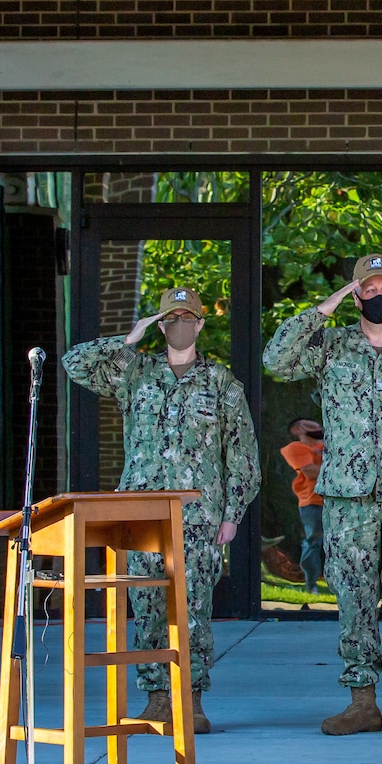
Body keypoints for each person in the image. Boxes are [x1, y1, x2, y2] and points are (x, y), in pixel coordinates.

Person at [263, 254, 382, 737]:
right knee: (353, 595)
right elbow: (275, 360)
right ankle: (361, 702)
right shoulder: (330, 346)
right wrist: (322, 310)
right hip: (349, 497)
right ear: (356, 295)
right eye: (366, 289)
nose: (377, 296)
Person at [62, 286, 260, 734]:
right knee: (147, 605)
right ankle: (156, 700)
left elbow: (243, 452)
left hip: (198, 515)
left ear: (201, 324)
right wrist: (128, 339)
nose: (180, 324)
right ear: (160, 323)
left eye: (188, 316)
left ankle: (190, 700)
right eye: (171, 318)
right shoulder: (135, 372)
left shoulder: (221, 382)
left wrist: (231, 514)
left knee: (191, 608)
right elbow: (75, 364)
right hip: (141, 511)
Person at [280, 418, 327, 604]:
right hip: (313, 502)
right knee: (314, 541)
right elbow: (310, 471)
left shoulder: (330, 443)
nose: (316, 426)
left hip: (337, 503)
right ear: (297, 429)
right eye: (309, 423)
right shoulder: (295, 448)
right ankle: (311, 584)